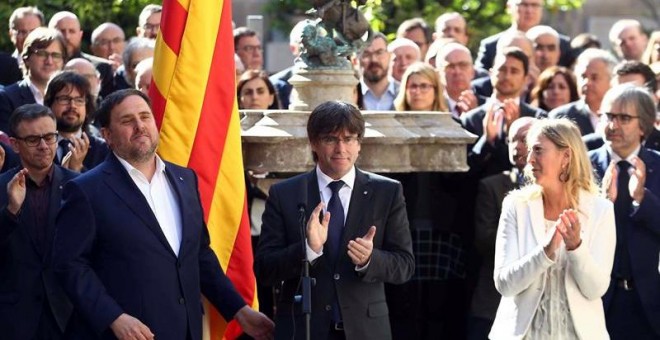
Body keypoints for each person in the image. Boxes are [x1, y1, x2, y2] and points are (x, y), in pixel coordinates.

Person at [51, 89, 274, 340]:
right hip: (127, 334)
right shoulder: (86, 190)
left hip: (185, 329)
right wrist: (113, 317)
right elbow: (69, 265)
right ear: (107, 136)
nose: (140, 126)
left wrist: (239, 310)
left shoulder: (185, 179)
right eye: (127, 121)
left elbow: (198, 254)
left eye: (145, 117)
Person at [254, 100, 414, 340]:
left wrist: (370, 259)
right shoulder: (285, 194)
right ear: (314, 143)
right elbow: (265, 269)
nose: (341, 148)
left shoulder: (387, 192)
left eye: (349, 139)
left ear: (359, 144)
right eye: (331, 139)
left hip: (365, 330)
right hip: (304, 329)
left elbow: (405, 265)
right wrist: (308, 250)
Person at [490, 118, 616, 339]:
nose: (529, 159)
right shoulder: (516, 205)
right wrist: (545, 252)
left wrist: (576, 247)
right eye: (529, 151)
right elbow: (504, 284)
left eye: (538, 150)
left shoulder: (601, 210)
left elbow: (596, 289)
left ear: (566, 156)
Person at [0, 104, 78, 339]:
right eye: (33, 139)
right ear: (15, 144)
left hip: (69, 317)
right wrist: (11, 211)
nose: (44, 146)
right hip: (12, 321)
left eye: (49, 137)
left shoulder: (80, 187)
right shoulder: (1, 186)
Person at [589, 84, 660, 339]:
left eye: (624, 118)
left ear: (644, 126)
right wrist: (600, 203)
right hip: (594, 302)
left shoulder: (658, 166)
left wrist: (642, 199)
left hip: (648, 305)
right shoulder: (582, 164)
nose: (613, 125)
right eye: (608, 116)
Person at [468, 117, 535, 340]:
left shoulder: (558, 189)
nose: (517, 146)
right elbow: (485, 240)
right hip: (495, 298)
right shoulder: (493, 186)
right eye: (511, 140)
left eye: (524, 139)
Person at [0, 28, 67, 133]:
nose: (49, 61)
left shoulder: (69, 99)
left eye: (55, 55)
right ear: (26, 59)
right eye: (42, 54)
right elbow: (6, 144)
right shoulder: (6, 98)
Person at [43, 71, 109, 172]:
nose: (72, 106)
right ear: (49, 104)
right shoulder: (38, 146)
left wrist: (78, 169)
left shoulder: (103, 149)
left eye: (79, 100)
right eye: (64, 99)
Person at [549, 48, 618, 136]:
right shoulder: (560, 118)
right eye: (583, 77)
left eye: (594, 77)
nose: (586, 83)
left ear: (612, 81)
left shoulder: (624, 116)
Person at [358, 33, 399, 110]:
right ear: (356, 59)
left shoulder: (405, 93)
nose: (374, 60)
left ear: (390, 55)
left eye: (379, 52)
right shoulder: (349, 94)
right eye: (366, 54)